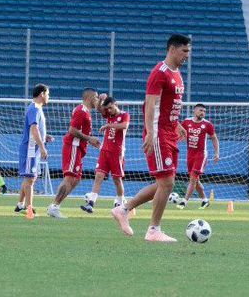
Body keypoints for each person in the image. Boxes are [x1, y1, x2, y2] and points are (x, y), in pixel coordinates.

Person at [111, 34, 190, 242]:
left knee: (165, 183)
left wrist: (177, 124)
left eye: (189, 51)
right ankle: (153, 230)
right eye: (184, 51)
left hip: (170, 132)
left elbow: (168, 105)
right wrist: (151, 132)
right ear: (172, 49)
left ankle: (124, 209)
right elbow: (150, 104)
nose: (187, 55)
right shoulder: (159, 73)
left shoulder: (177, 74)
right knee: (167, 183)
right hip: (159, 133)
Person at [47, 88, 102, 219]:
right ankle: (54, 206)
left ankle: (55, 206)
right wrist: (89, 138)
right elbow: (72, 130)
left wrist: (90, 140)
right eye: (96, 97)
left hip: (79, 148)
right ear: (90, 98)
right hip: (73, 147)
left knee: (76, 180)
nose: (97, 100)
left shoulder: (86, 112)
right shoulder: (81, 111)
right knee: (70, 178)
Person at [80, 96, 130, 213]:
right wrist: (100, 101)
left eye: (111, 108)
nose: (109, 110)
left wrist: (108, 125)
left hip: (117, 152)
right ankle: (91, 204)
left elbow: (124, 126)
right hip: (104, 151)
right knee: (98, 176)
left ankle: (121, 202)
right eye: (107, 108)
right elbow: (99, 109)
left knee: (117, 179)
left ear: (116, 104)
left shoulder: (124, 115)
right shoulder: (109, 115)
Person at [16, 83, 51, 217]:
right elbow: (33, 128)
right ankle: (29, 208)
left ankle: (20, 205)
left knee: (29, 177)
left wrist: (44, 137)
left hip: (32, 147)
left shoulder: (36, 108)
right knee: (30, 178)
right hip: (30, 148)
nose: (48, 97)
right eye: (48, 94)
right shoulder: (34, 108)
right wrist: (42, 147)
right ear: (42, 94)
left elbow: (36, 130)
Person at [182, 104, 219, 208]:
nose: (203, 113)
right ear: (195, 111)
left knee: (193, 179)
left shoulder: (207, 124)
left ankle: (184, 201)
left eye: (204, 111)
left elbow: (214, 138)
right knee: (196, 180)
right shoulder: (186, 122)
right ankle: (205, 200)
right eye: (201, 110)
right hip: (190, 154)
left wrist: (217, 153)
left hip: (201, 155)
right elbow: (179, 131)